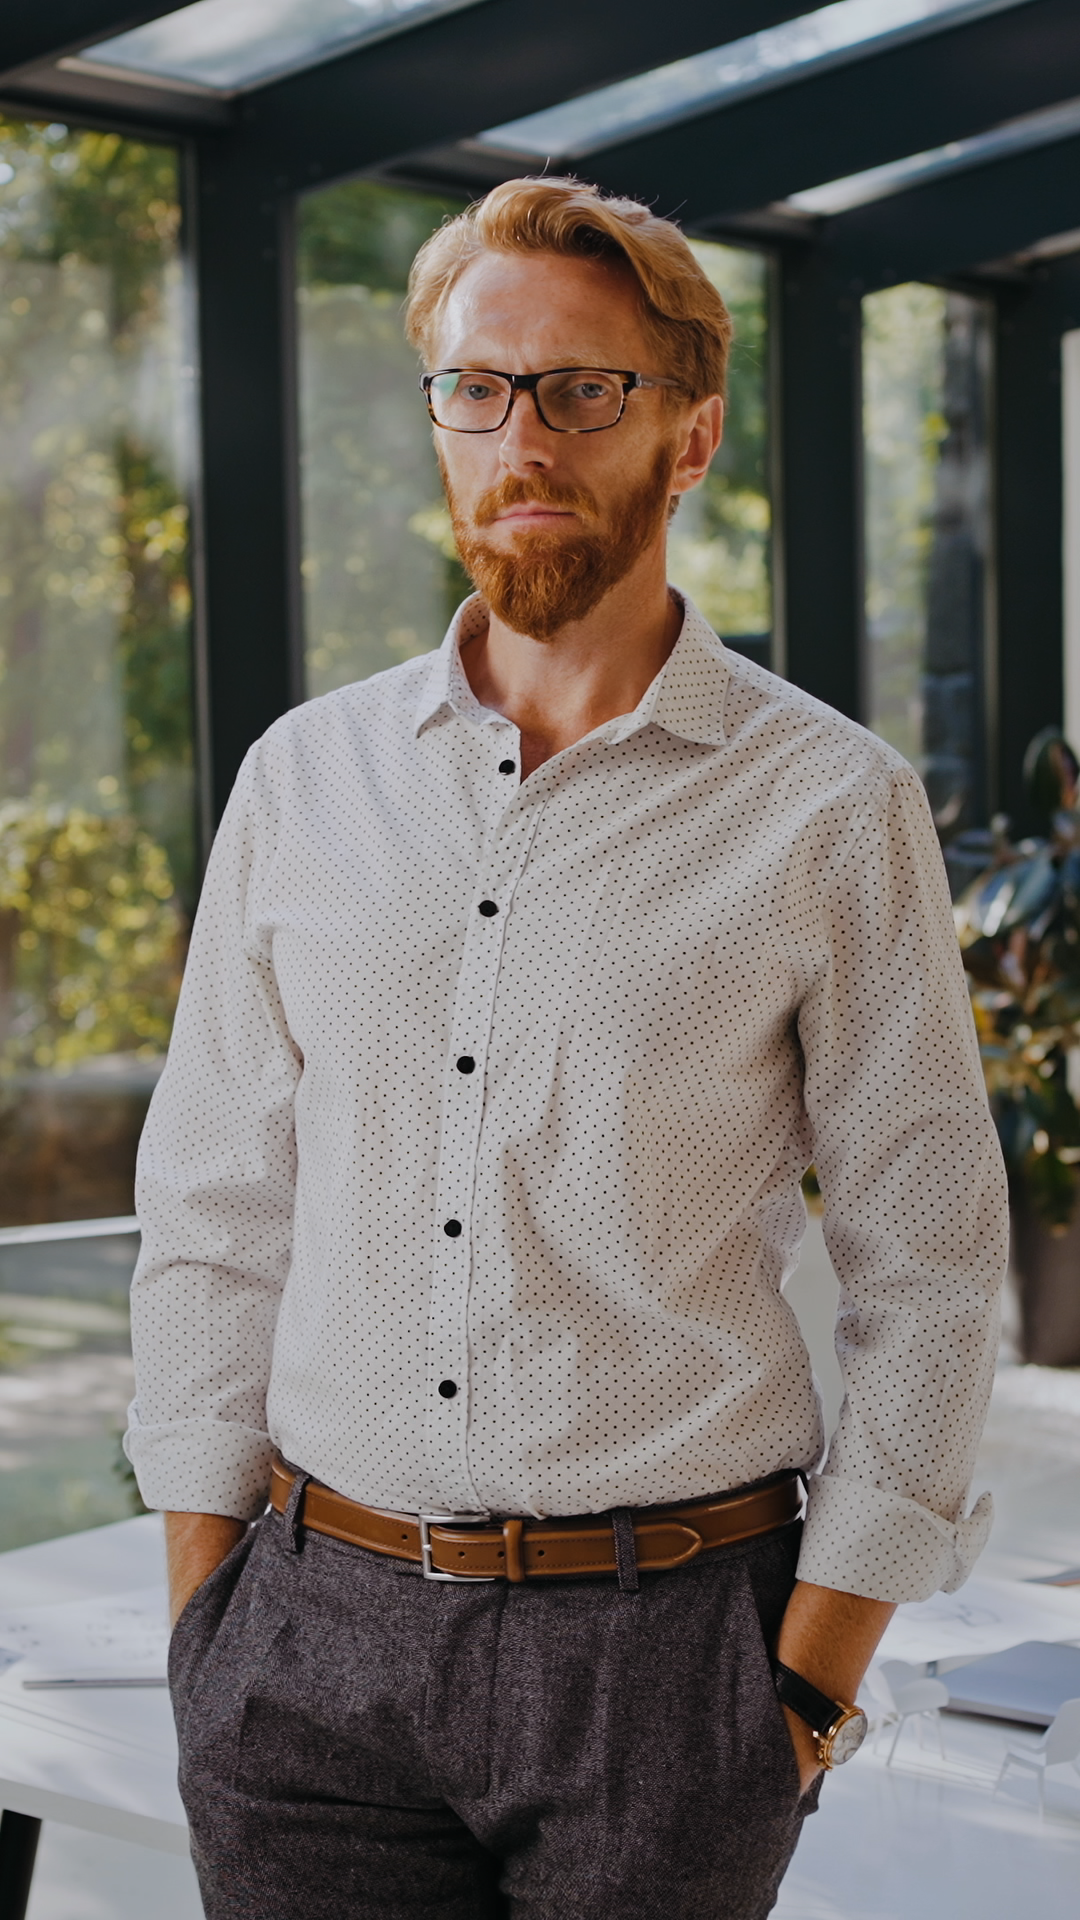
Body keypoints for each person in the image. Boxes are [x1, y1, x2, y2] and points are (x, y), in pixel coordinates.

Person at [125, 177, 1008, 1919]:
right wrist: (207, 1626)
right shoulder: (304, 781)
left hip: (669, 1666)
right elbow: (214, 1214)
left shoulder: (832, 805)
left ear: (690, 437)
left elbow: (932, 1263)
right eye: (479, 388)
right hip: (306, 1654)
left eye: (584, 390)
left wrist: (802, 1695)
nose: (522, 437)